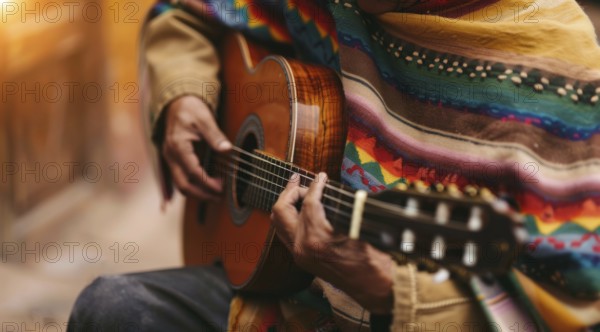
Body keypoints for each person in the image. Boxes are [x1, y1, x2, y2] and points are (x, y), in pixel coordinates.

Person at [68, 0, 600, 330]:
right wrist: (186, 99)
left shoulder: (556, 74)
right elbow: (191, 12)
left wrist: (394, 290)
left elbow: (570, 306)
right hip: (285, 303)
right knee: (111, 309)